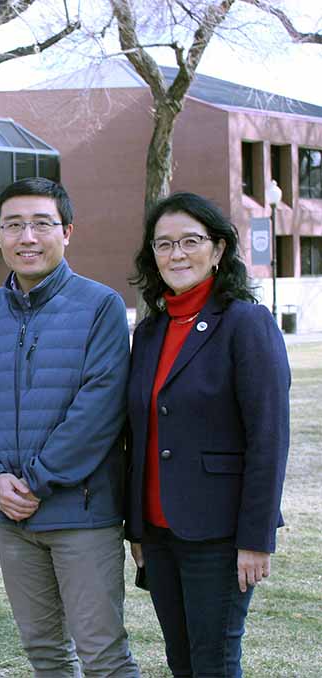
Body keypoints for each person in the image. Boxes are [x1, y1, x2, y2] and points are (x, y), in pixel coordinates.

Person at [0, 178, 140, 677]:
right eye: (14, 225)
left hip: (81, 511)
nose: (27, 237)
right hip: (12, 519)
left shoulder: (99, 306)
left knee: (103, 653)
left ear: (68, 231)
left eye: (42, 224)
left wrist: (36, 481)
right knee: (44, 653)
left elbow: (100, 406)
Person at [126, 192, 290, 677]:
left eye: (190, 241)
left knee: (214, 663)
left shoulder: (246, 324)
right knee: (181, 662)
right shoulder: (150, 330)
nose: (176, 254)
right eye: (163, 244)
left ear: (218, 249)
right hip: (157, 535)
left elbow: (269, 439)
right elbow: (139, 433)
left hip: (219, 535)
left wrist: (256, 539)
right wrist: (136, 527)